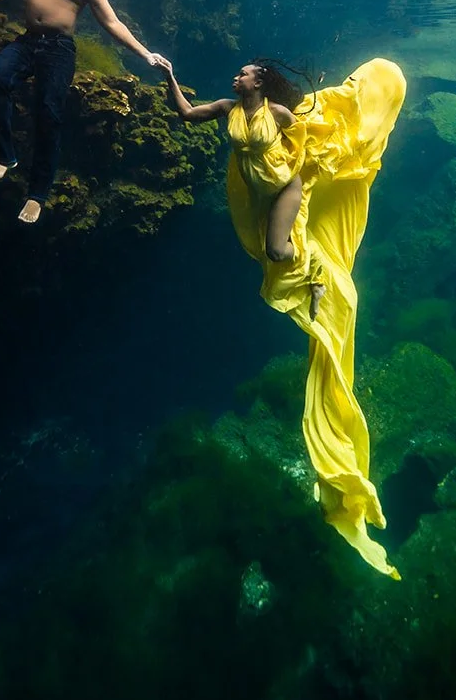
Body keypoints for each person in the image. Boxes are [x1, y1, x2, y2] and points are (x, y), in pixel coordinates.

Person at [158, 53, 407, 577]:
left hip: (286, 189)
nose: (239, 74)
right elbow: (185, 113)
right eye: (241, 71)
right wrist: (170, 78)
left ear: (262, 81)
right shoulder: (229, 107)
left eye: (247, 71)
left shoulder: (281, 113)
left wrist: (343, 130)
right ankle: (312, 275)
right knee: (269, 256)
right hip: (259, 192)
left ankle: (319, 277)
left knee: (278, 254)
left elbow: (312, 131)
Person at [0, 0, 164, 223]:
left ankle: (36, 194)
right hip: (27, 41)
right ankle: (5, 157)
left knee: (48, 115)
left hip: (58, 49)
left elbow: (112, 23)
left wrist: (146, 53)